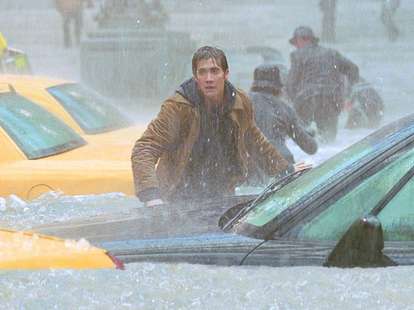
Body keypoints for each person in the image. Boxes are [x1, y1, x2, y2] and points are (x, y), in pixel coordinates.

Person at [131, 46, 311, 207]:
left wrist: (286, 170)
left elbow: (254, 140)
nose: (209, 78)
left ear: (226, 74)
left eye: (214, 71)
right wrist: (151, 196)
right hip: (177, 195)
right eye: (202, 72)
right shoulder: (178, 107)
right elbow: (144, 148)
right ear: (195, 77)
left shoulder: (240, 103)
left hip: (221, 193)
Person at [286, 26, 359, 142]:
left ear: (303, 39)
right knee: (329, 140)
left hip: (306, 100)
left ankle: (307, 157)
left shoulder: (298, 55)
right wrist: (347, 94)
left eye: (296, 42)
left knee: (299, 139)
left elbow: (291, 83)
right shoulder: (332, 53)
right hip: (330, 100)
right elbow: (353, 70)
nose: (295, 46)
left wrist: (292, 101)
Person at [249, 64, 318, 164]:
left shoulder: (241, 102)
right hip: (281, 162)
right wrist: (312, 136)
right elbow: (311, 148)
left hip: (249, 165)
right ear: (279, 86)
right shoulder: (285, 109)